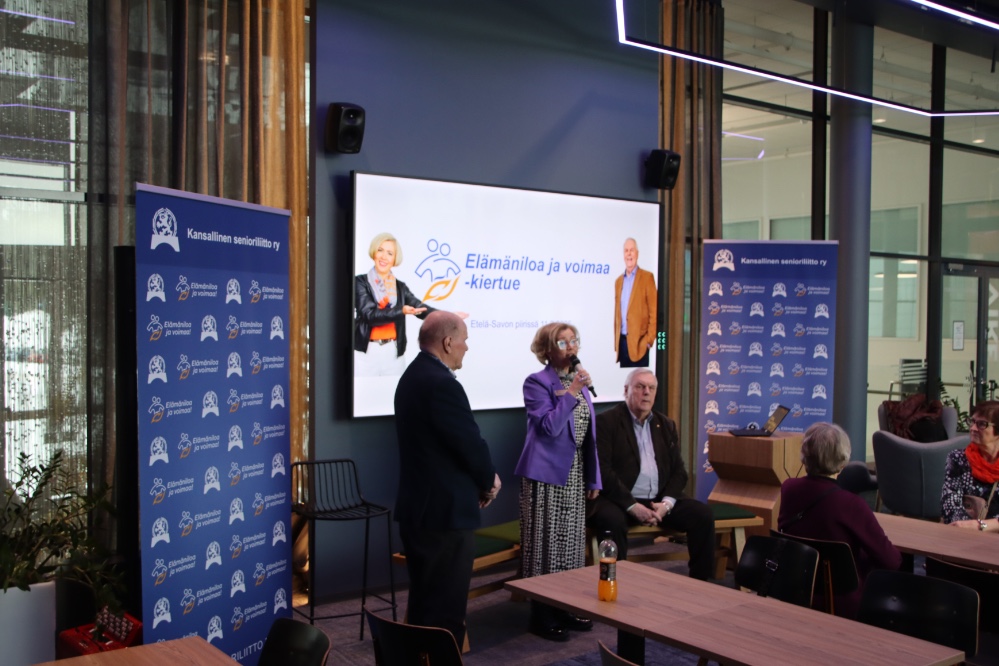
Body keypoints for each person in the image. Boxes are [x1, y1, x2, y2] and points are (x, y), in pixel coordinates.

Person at [393, 311, 502, 647]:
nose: (467, 347)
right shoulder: (442, 384)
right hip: (443, 516)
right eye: (465, 340)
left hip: (423, 512)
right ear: (448, 342)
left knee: (425, 608)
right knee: (445, 615)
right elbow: (468, 443)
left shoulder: (413, 375)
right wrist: (489, 481)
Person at [515, 322, 601, 642]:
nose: (571, 346)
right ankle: (541, 614)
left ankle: (564, 606)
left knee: (571, 547)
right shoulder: (536, 383)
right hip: (545, 476)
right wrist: (574, 391)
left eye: (573, 340)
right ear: (547, 351)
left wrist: (594, 478)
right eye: (562, 343)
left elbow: (589, 435)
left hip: (574, 474)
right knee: (546, 548)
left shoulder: (578, 382)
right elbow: (549, 428)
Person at [587, 368, 716, 580]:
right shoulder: (606, 422)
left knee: (702, 515)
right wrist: (632, 506)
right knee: (611, 521)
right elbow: (603, 471)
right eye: (640, 387)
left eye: (651, 388)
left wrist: (666, 504)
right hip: (620, 500)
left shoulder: (665, 425)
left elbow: (679, 472)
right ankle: (614, 583)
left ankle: (702, 584)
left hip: (658, 501)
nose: (646, 392)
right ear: (626, 390)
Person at [778, 422, 901, 618]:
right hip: (841, 605)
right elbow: (892, 561)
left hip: (795, 592)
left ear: (804, 456)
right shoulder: (852, 505)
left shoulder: (788, 488)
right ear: (843, 460)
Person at [354, 232, 433, 376]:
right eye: (380, 250)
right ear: (374, 253)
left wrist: (446, 316)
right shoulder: (360, 282)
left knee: (395, 391)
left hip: (393, 353)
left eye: (390, 253)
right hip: (366, 353)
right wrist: (401, 311)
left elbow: (419, 307)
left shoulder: (400, 287)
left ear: (395, 258)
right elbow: (370, 315)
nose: (384, 257)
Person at [941, 400, 999, 528]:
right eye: (972, 422)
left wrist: (979, 526)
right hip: (962, 533)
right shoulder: (958, 458)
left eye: (982, 424)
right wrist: (966, 527)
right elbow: (950, 505)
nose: (973, 428)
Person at [614, 238, 657, 367]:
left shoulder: (647, 278)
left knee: (639, 380)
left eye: (632, 250)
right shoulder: (618, 282)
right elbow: (617, 314)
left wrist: (649, 341)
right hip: (622, 344)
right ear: (623, 255)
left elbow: (654, 312)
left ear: (637, 254)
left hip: (640, 346)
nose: (629, 254)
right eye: (626, 251)